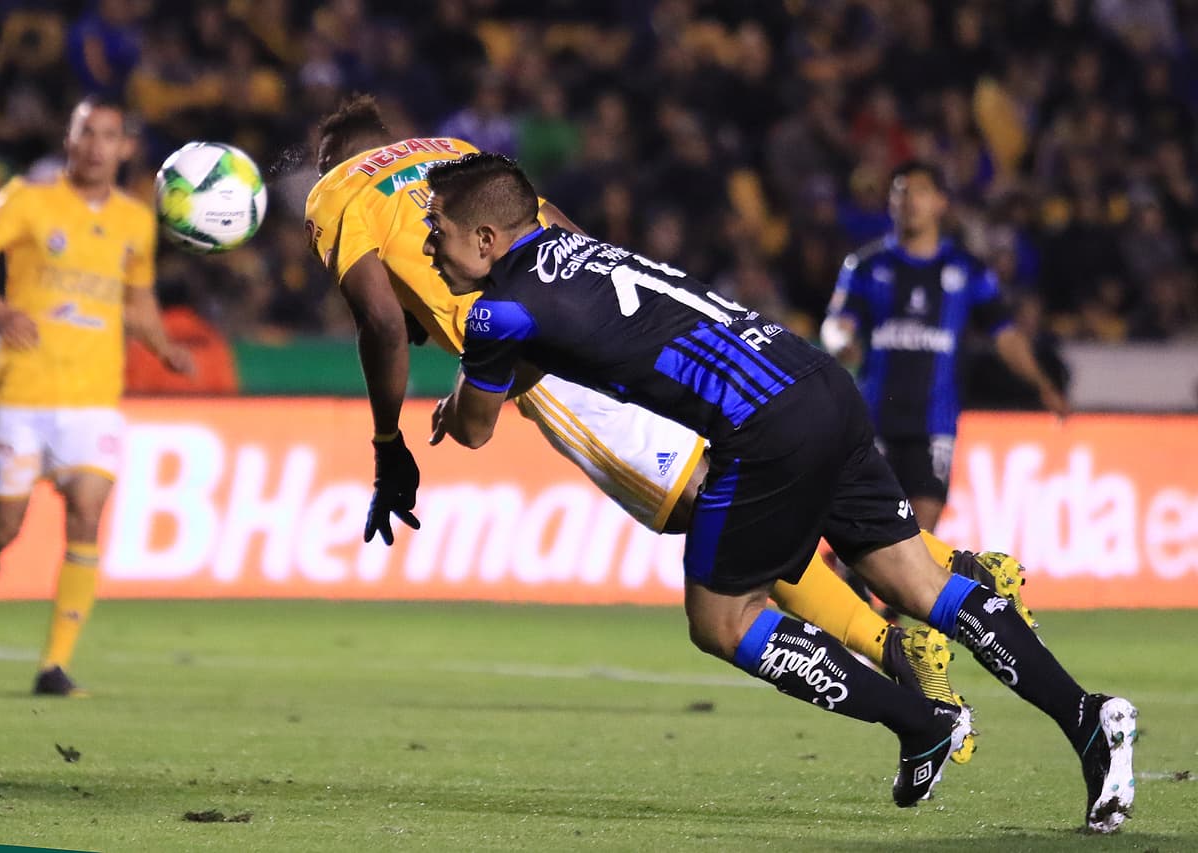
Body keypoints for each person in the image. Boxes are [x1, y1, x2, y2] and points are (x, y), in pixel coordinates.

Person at [303, 95, 1038, 764]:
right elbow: (565, 236)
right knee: (745, 499)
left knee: (721, 513)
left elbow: (380, 325)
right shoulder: (450, 155)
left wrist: (389, 447)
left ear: (333, 156)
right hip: (610, 320)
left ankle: (900, 638)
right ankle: (938, 580)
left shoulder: (336, 192)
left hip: (546, 367)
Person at [424, 152, 1136, 830]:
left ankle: (922, 723)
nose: (427, 248)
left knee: (722, 620)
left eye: (438, 231)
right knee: (922, 582)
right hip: (818, 381)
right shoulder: (576, 248)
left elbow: (476, 429)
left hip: (761, 429)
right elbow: (548, 347)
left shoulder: (496, 311)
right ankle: (1087, 718)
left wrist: (455, 403)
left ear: (486, 239)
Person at [0, 96, 191, 696]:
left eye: (109, 136)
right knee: (6, 525)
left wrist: (165, 348)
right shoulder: (28, 200)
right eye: (86, 134)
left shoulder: (135, 221)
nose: (96, 146)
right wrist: (1, 311)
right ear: (69, 142)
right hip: (22, 391)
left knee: (86, 514)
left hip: (94, 398)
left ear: (126, 148)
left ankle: (54, 665)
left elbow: (139, 303)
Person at [821, 160, 1069, 532]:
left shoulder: (967, 269)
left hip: (934, 423)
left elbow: (1005, 336)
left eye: (921, 191)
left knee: (920, 534)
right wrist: (842, 343)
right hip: (874, 421)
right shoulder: (866, 265)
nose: (910, 201)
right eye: (901, 192)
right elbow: (835, 325)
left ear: (941, 202)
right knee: (866, 531)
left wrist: (1042, 383)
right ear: (890, 202)